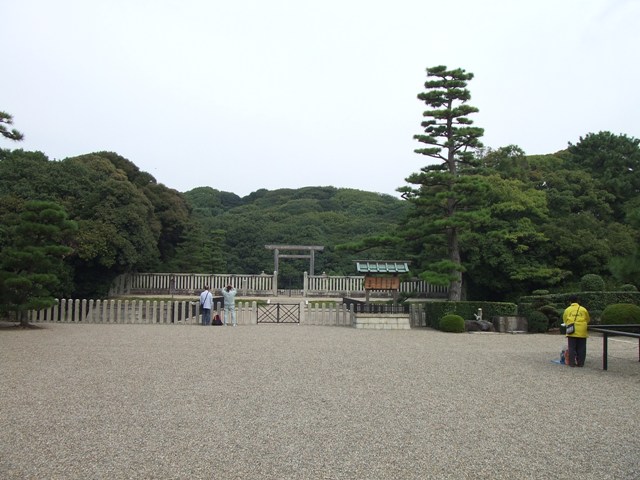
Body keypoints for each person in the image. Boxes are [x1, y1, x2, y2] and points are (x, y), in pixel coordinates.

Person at [562, 295, 590, 367]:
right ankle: (581, 363)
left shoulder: (567, 310)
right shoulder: (583, 309)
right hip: (582, 330)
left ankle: (572, 363)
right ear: (578, 300)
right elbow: (587, 319)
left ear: (570, 301)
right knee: (582, 347)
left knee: (571, 347)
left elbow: (565, 320)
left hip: (572, 330)